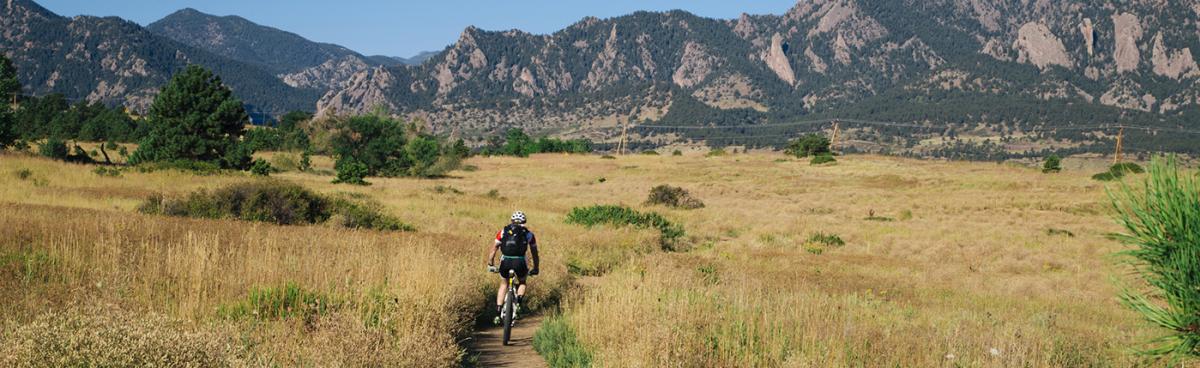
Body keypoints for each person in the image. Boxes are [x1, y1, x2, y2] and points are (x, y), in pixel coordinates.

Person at [487, 210, 539, 325]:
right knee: (522, 282)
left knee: (504, 284)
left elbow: (494, 249)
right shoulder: (529, 234)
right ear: (524, 222)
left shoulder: (502, 232)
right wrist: (536, 268)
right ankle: (519, 303)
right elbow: (535, 253)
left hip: (505, 262)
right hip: (520, 262)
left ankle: (497, 313)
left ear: (511, 221)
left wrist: (490, 264)